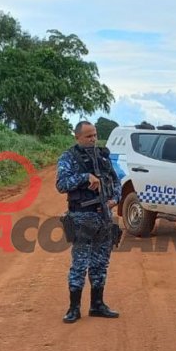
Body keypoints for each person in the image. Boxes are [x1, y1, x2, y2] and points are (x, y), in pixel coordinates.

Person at [56, 121, 121, 323]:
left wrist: (115, 199)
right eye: (88, 136)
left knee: (101, 263)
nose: (93, 139)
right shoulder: (69, 157)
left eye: (94, 135)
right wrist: (85, 177)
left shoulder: (103, 155)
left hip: (104, 216)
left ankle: (97, 305)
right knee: (79, 264)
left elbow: (116, 181)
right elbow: (61, 184)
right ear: (77, 137)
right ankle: (74, 308)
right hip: (81, 216)